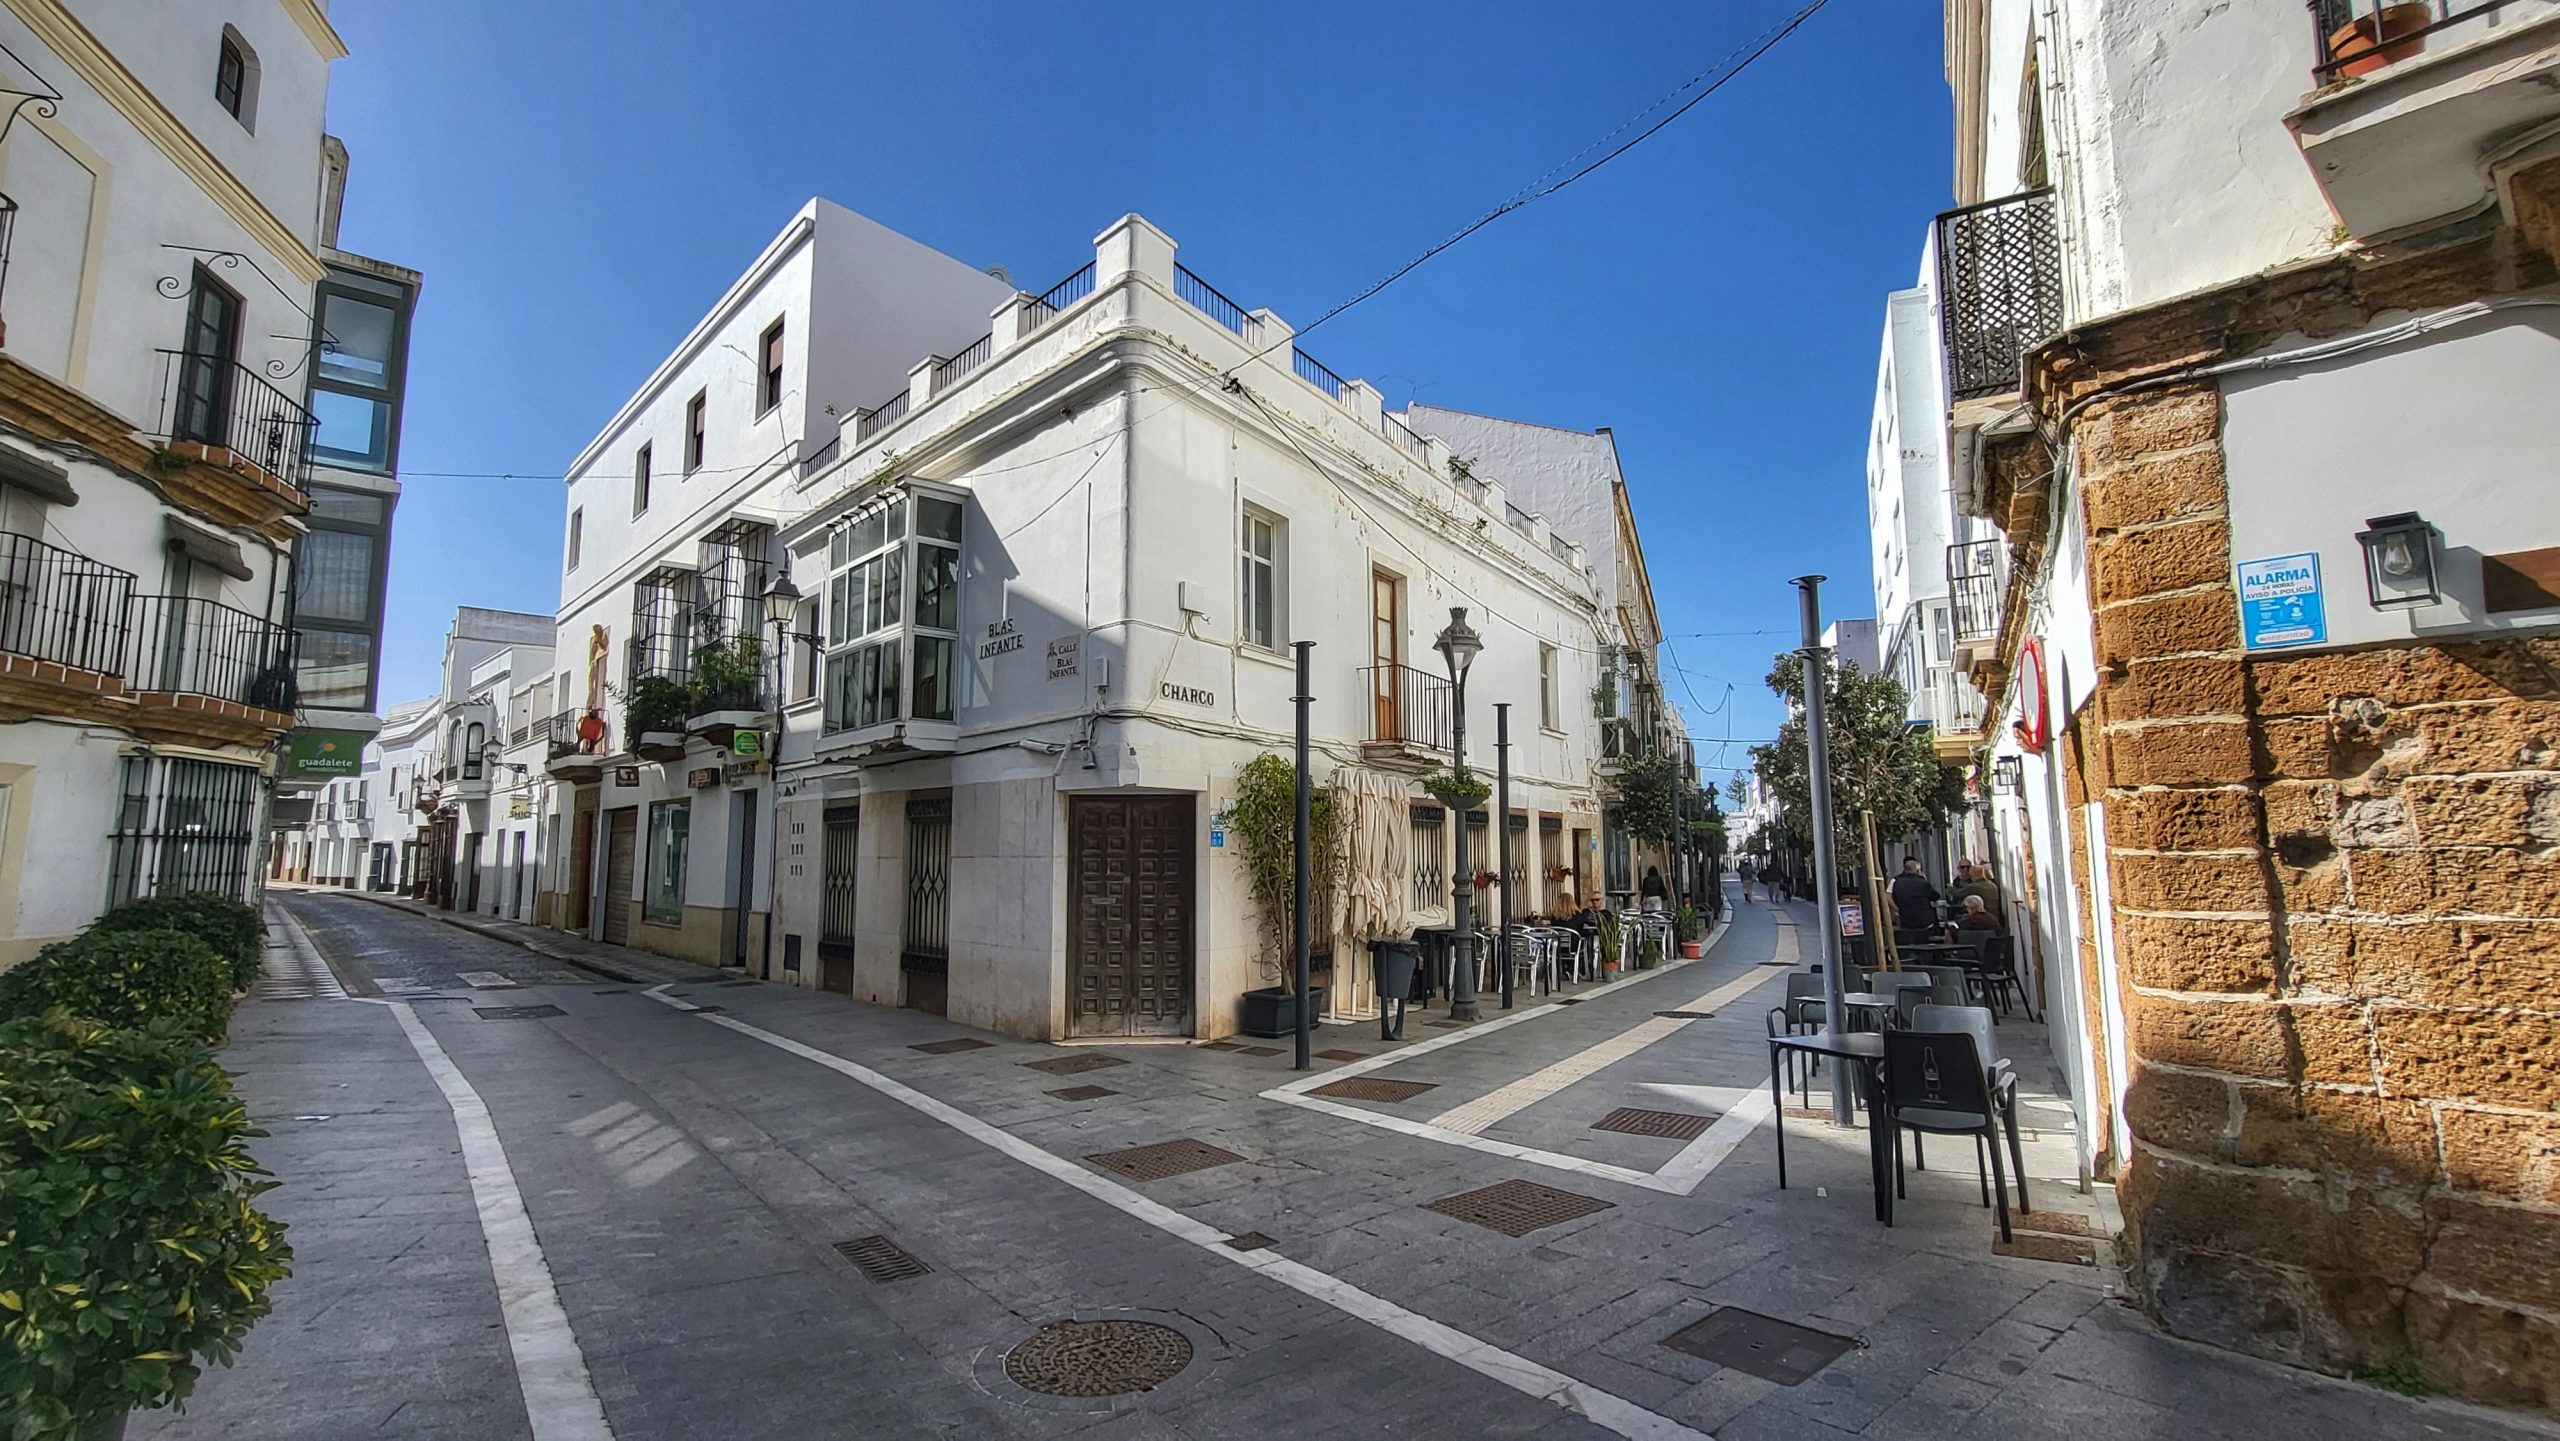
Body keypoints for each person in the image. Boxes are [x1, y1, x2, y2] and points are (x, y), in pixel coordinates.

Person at [1888, 857, 1942, 936]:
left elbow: (1889, 895)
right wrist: (1924, 878)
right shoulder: (1923, 883)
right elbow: (1935, 896)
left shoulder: (1897, 882)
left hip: (1905, 921)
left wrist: (1897, 909)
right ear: (1918, 871)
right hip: (1924, 922)